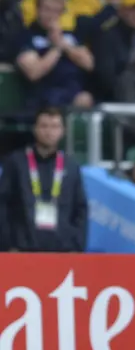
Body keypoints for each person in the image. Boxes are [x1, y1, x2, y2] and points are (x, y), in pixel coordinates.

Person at [0, 107, 87, 252]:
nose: (49, 132)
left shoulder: (71, 166)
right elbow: (2, 205)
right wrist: (7, 245)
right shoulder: (16, 162)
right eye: (44, 126)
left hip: (62, 252)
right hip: (22, 250)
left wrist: (76, 247)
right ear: (35, 129)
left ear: (62, 131)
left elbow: (80, 209)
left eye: (54, 126)